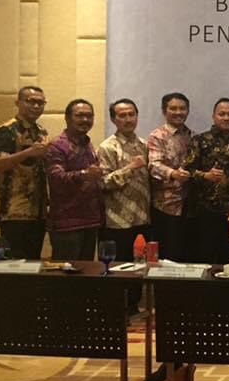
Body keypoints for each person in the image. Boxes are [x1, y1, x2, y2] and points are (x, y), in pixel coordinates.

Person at [184, 98, 229, 264]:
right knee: (205, 256)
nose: (226, 118)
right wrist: (205, 175)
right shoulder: (199, 140)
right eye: (222, 114)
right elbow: (186, 172)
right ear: (213, 116)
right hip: (205, 210)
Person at [45, 99, 104, 260]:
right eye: (80, 115)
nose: (85, 120)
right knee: (66, 272)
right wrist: (84, 174)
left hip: (90, 220)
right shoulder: (57, 145)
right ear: (67, 118)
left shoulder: (87, 143)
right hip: (67, 223)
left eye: (89, 116)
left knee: (86, 270)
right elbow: (56, 178)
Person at [0, 86, 49, 259]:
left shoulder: (41, 131)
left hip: (38, 211)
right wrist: (28, 153)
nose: (36, 106)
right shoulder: (6, 131)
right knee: (15, 264)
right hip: (13, 210)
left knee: (33, 263)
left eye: (40, 103)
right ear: (18, 103)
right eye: (31, 101)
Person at [98, 98, 151, 272]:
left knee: (141, 268)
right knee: (118, 270)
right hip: (118, 220)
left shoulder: (144, 145)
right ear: (113, 119)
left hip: (142, 218)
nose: (128, 119)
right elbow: (103, 182)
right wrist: (130, 168)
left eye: (131, 114)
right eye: (122, 116)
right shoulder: (107, 147)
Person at [147, 92, 192, 261]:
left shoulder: (191, 135)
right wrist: (173, 174)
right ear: (164, 111)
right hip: (165, 205)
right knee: (168, 256)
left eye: (182, 108)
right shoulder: (157, 136)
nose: (178, 112)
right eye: (173, 108)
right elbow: (154, 165)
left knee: (187, 254)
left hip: (189, 204)